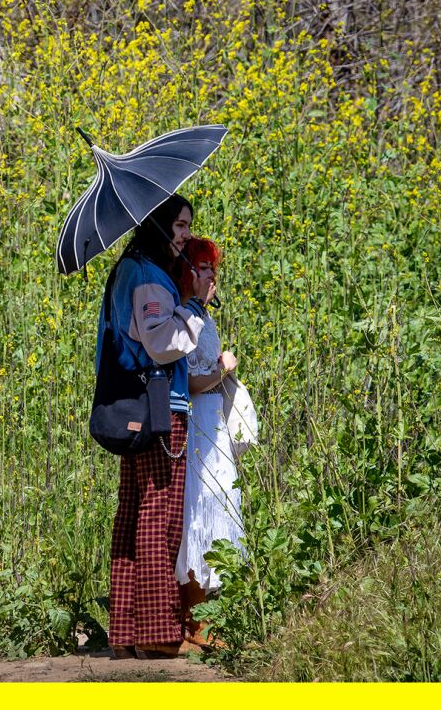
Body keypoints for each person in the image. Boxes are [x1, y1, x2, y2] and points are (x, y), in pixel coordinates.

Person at [98, 193, 214, 660]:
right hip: (160, 405)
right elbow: (164, 342)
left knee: (132, 513)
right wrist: (197, 307)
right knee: (158, 515)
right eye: (181, 225)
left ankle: (125, 632)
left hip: (133, 405)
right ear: (160, 225)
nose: (186, 235)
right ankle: (157, 631)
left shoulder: (130, 268)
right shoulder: (147, 275)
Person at [171, 236, 259, 648]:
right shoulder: (187, 318)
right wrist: (224, 369)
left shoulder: (204, 316)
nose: (212, 279)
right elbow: (190, 382)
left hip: (213, 422)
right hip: (199, 421)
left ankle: (212, 616)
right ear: (190, 273)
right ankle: (194, 619)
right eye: (205, 270)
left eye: (214, 271)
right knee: (200, 509)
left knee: (221, 505)